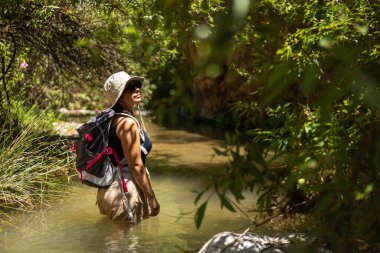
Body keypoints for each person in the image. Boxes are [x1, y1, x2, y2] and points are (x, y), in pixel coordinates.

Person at [97, 71, 160, 224]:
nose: (137, 89)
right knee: (125, 245)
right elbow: (135, 165)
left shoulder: (111, 119)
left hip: (107, 190)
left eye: (137, 85)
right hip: (125, 193)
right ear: (119, 95)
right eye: (130, 87)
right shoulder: (127, 123)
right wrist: (151, 197)